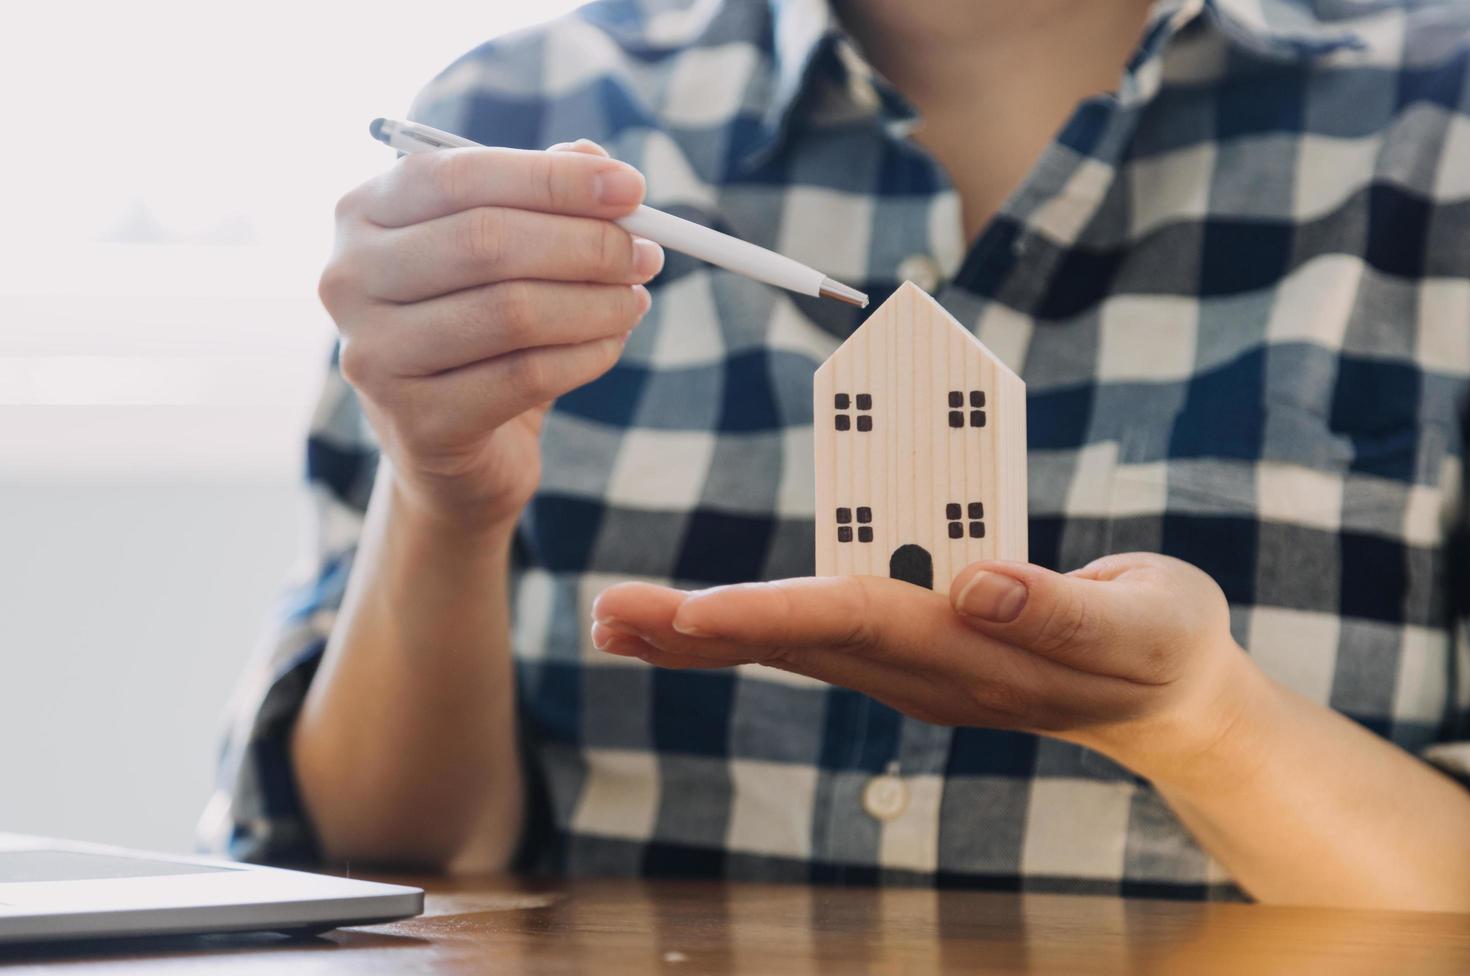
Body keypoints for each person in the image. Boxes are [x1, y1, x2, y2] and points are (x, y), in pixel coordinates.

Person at [202, 0, 1470, 909]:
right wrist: (442, 501)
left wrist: (1207, 724)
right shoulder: (518, 132)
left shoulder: (1440, 121)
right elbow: (382, 867)